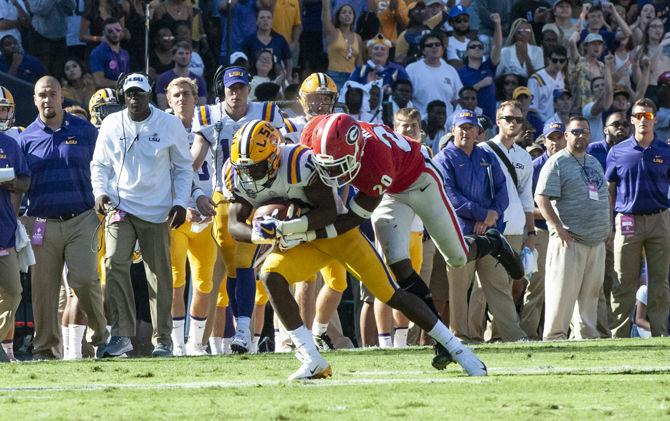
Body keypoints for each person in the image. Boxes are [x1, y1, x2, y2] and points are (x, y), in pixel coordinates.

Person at [218, 119, 487, 379]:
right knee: (271, 277)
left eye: (256, 167)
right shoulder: (238, 172)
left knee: (390, 293)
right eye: (246, 167)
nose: (249, 173)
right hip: (302, 240)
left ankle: (458, 349)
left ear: (274, 157)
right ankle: (311, 358)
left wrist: (289, 229)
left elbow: (327, 211)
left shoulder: (298, 162)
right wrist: (261, 234)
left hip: (337, 234)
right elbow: (234, 225)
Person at [303, 113, 524, 367]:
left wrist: (308, 230)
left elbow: (352, 218)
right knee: (398, 265)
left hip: (419, 180)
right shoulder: (317, 133)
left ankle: (493, 243)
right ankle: (441, 338)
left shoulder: (376, 160)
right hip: (390, 193)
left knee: (457, 256)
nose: (335, 171)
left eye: (341, 162)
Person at [91, 73, 192, 357]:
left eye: (140, 94)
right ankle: (121, 334)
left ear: (150, 96)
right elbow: (99, 164)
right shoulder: (111, 123)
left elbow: (183, 167)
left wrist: (181, 202)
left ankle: (163, 340)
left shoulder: (169, 124)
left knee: (158, 273)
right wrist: (99, 192)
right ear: (124, 95)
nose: (135, 99)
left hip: (157, 210)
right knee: (113, 263)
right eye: (130, 94)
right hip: (119, 205)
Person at [190, 66, 284, 354]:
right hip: (224, 197)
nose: (236, 93)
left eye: (241, 87)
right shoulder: (208, 116)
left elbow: (282, 151)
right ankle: (226, 334)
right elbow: (192, 163)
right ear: (222, 90)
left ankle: (243, 330)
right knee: (230, 266)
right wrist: (195, 195)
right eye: (231, 88)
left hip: (257, 199)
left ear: (248, 88)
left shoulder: (266, 113)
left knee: (243, 262)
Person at [19, 76, 107, 360]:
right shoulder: (25, 138)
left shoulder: (84, 130)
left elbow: (103, 168)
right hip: (41, 222)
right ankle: (45, 348)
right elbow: (19, 184)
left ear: (61, 97)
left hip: (82, 218)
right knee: (43, 288)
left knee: (84, 280)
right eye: (42, 95)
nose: (47, 100)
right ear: (35, 100)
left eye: (52, 94)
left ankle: (100, 339)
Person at [436, 109, 527, 342]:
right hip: (458, 232)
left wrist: (493, 214)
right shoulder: (444, 158)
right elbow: (449, 196)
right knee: (459, 287)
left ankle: (513, 336)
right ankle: (461, 336)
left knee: (498, 285)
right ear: (453, 130)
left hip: (489, 231)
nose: (466, 132)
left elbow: (503, 190)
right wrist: (481, 215)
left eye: (471, 127)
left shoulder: (486, 156)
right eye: (462, 127)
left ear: (478, 131)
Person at [536, 116, 610, 340]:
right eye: (576, 132)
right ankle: (554, 338)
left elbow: (602, 195)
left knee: (590, 297)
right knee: (561, 295)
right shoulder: (557, 162)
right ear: (566, 135)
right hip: (570, 239)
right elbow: (541, 198)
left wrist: (607, 228)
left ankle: (585, 338)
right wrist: (558, 228)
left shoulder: (593, 161)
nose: (581, 136)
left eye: (585, 132)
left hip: (596, 241)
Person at [606, 98, 670, 337]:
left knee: (660, 282)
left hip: (660, 219)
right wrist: (610, 225)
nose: (644, 120)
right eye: (639, 116)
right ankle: (618, 335)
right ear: (632, 120)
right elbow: (610, 190)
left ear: (654, 119)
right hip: (627, 220)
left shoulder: (666, 150)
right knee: (623, 280)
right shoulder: (617, 151)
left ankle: (661, 335)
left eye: (648, 116)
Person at [163, 77, 216, 357]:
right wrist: (185, 203)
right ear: (168, 100)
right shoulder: (163, 130)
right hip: (177, 213)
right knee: (176, 280)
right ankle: (177, 344)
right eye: (177, 94)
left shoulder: (209, 127)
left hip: (208, 210)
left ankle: (196, 343)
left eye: (187, 93)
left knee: (205, 282)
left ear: (197, 97)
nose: (182, 98)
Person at [479, 101, 537, 337]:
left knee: (508, 284)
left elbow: (526, 198)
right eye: (508, 118)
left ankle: (495, 335)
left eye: (518, 119)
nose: (513, 123)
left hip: (514, 227)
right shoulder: (483, 149)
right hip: (488, 226)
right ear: (498, 121)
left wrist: (531, 233)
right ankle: (472, 334)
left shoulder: (524, 155)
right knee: (481, 289)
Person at [520, 121, 566, 340]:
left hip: (567, 232)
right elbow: (526, 205)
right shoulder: (535, 166)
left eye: (559, 137)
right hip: (541, 231)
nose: (555, 142)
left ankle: (560, 333)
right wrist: (554, 215)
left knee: (565, 286)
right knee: (536, 287)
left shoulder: (570, 163)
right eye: (551, 138)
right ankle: (528, 334)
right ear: (544, 140)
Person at [0, 109, 30, 363]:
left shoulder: (10, 144)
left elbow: (25, 179)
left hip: (3, 228)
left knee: (13, 290)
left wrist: (12, 184)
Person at [406, 32, 462, 119]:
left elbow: (458, 99)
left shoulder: (451, 70)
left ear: (442, 49)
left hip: (446, 123)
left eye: (437, 44)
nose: (434, 47)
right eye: (430, 45)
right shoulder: (411, 69)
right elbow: (405, 97)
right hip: (420, 122)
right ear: (423, 50)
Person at [457, 16, 502, 122]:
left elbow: (498, 45)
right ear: (466, 52)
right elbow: (459, 96)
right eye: (473, 47)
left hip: (490, 119)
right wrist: (479, 85)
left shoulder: (489, 66)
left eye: (480, 47)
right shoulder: (460, 73)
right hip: (469, 119)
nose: (477, 48)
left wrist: (497, 24)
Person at [242, 9, 293, 85]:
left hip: (276, 79)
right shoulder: (249, 40)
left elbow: (288, 60)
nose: (265, 20)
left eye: (269, 18)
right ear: (256, 21)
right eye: (262, 18)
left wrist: (288, 76)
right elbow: (244, 62)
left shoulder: (280, 40)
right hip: (254, 80)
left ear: (272, 21)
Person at [321, 0, 362, 90]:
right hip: (334, 75)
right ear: (338, 17)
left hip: (352, 77)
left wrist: (359, 79)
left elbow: (359, 63)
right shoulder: (333, 33)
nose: (347, 15)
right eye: (344, 12)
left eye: (350, 13)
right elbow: (326, 13)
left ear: (354, 17)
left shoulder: (358, 37)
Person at [26, 0, 72, 77]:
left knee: (59, 73)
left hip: (60, 37)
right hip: (40, 36)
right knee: (43, 74)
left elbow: (71, 8)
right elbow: (39, 9)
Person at [156, 41, 207, 110]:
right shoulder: (163, 78)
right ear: (173, 56)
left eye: (187, 53)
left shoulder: (199, 80)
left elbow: (201, 108)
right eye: (181, 53)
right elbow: (162, 108)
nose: (184, 56)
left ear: (191, 57)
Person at [527, 46, 567, 122]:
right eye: (555, 60)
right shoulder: (535, 79)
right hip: (542, 123)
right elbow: (531, 109)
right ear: (548, 60)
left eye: (562, 61)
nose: (558, 64)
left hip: (557, 123)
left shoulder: (561, 75)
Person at [88, 18, 130, 89]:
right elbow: (99, 81)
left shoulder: (125, 53)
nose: (115, 33)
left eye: (118, 30)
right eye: (110, 31)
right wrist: (120, 84)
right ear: (104, 33)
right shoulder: (98, 53)